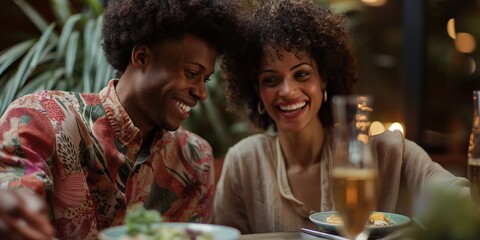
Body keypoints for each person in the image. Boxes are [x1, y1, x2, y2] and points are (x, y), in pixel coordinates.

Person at [213, 0, 470, 234]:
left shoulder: (388, 154)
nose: (287, 91)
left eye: (301, 74)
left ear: (324, 78)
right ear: (256, 90)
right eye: (271, 80)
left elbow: (460, 202)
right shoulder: (244, 163)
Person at [0, 0, 240, 239]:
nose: (201, 92)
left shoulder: (195, 161)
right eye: (191, 73)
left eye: (205, 79)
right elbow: (13, 189)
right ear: (142, 57)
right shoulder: (42, 118)